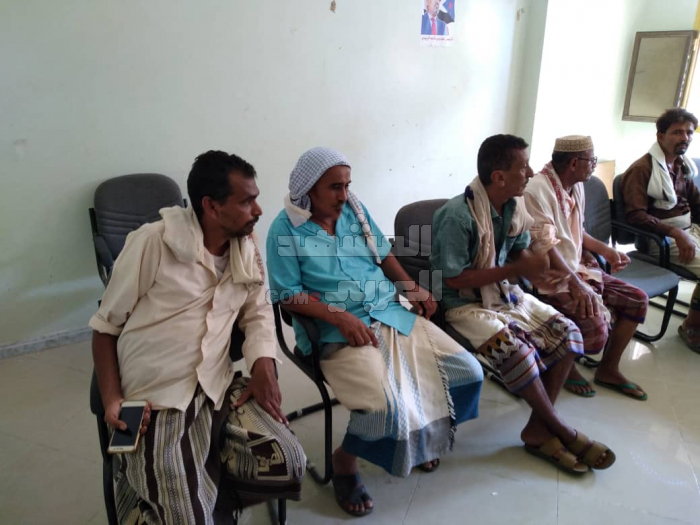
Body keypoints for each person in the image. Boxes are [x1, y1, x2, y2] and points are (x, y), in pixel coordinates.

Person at [90, 151, 305, 524]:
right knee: (184, 516)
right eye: (246, 201)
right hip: (157, 398)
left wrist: (264, 364)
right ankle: (172, 498)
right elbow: (104, 328)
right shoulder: (153, 242)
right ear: (211, 206)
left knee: (287, 459)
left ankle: (202, 494)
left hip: (215, 387)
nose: (258, 210)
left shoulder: (246, 244)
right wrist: (112, 400)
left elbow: (257, 312)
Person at [266, 147, 483, 518]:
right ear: (309, 188)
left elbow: (383, 254)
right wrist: (338, 317)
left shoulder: (354, 211)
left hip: (389, 314)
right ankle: (344, 462)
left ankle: (421, 436)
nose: (344, 195)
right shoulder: (284, 229)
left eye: (347, 185)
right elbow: (287, 294)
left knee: (467, 372)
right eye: (335, 187)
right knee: (383, 407)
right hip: (336, 335)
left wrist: (411, 288)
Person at [431, 134, 616, 477]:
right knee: (516, 352)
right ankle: (560, 430)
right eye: (523, 167)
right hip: (461, 304)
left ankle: (537, 429)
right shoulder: (457, 216)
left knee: (569, 334)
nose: (530, 173)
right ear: (499, 177)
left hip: (501, 293)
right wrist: (516, 270)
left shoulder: (513, 207)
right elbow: (454, 280)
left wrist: (536, 265)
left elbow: (520, 251)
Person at [524, 135, 648, 400]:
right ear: (573, 163)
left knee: (637, 299)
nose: (594, 165)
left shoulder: (577, 185)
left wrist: (605, 251)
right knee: (595, 331)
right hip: (552, 275)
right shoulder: (536, 190)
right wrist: (576, 283)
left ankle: (608, 369)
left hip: (577, 267)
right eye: (591, 160)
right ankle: (564, 366)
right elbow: (545, 245)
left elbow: (576, 231)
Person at [620, 108, 700, 353]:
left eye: (689, 132)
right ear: (660, 136)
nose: (685, 137)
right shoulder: (642, 168)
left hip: (688, 230)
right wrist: (676, 233)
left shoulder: (681, 165)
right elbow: (635, 216)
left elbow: (696, 204)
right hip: (660, 240)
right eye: (677, 132)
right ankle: (692, 326)